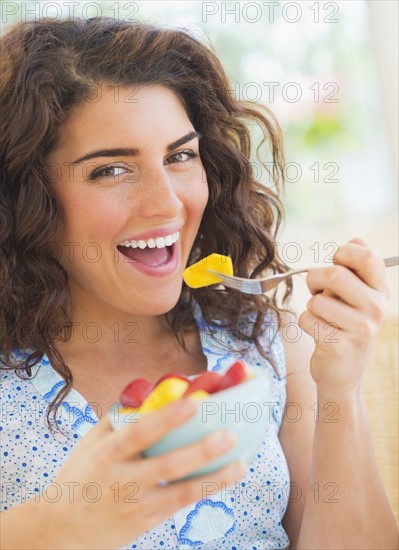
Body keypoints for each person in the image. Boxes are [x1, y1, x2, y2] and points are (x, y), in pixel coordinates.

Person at [0, 16, 397, 550]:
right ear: (26, 199)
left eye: (180, 156)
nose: (168, 203)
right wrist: (56, 526)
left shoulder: (274, 344)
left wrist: (340, 389)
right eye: (111, 170)